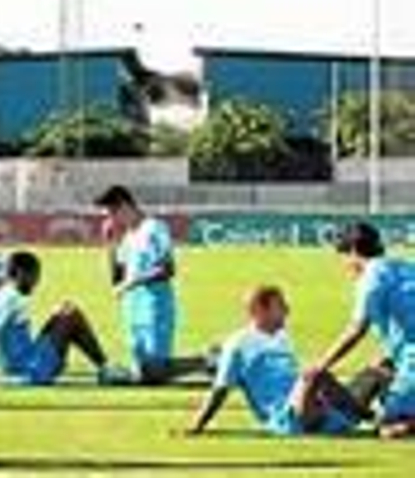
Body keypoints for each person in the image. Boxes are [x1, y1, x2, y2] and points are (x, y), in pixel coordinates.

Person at [187, 285, 368, 437]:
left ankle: (360, 417)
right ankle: (367, 417)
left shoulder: (282, 337)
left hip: (312, 406)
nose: (288, 311)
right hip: (286, 417)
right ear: (259, 311)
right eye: (280, 306)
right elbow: (220, 389)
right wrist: (198, 425)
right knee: (315, 373)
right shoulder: (238, 344)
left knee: (377, 372)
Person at [310, 222, 415, 439]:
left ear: (355, 251)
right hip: (407, 357)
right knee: (380, 373)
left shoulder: (372, 276)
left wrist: (322, 364)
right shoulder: (402, 267)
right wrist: (389, 357)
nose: (345, 265)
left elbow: (357, 329)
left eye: (344, 256)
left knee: (389, 429)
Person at [96, 185, 206, 384]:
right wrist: (110, 244)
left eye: (111, 214)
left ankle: (210, 360)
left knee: (156, 371)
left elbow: (168, 269)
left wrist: (132, 283)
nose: (110, 220)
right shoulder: (128, 237)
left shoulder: (154, 228)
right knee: (146, 373)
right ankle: (210, 363)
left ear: (125, 206)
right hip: (131, 308)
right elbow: (117, 280)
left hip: (155, 305)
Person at [0, 251, 111, 388]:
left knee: (64, 311)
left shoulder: (11, 295)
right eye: (34, 275)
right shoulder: (9, 299)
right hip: (29, 369)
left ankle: (105, 367)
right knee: (72, 314)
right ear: (21, 274)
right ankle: (106, 368)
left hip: (29, 361)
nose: (37, 281)